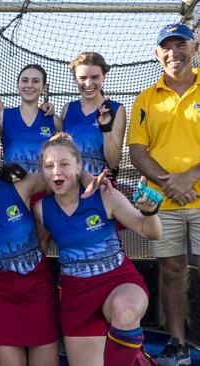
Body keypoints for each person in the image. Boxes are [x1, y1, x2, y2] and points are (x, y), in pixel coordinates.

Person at [33, 132, 162, 366]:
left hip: (117, 282)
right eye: (49, 166)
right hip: (76, 295)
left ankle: (136, 358)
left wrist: (150, 211)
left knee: (126, 311)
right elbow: (38, 247)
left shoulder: (105, 195)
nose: (56, 172)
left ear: (79, 166)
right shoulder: (42, 209)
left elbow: (151, 232)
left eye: (64, 164)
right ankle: (135, 356)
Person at [127, 22, 200, 366]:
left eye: (181, 45)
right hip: (164, 204)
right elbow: (137, 150)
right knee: (172, 271)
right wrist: (169, 181)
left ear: (195, 48)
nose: (174, 53)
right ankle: (178, 343)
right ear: (157, 54)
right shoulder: (145, 98)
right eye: (166, 48)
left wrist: (191, 176)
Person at [0, 136, 60, 365]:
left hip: (38, 291)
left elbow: (60, 178)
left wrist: (88, 178)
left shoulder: (20, 187)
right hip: (0, 296)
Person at [62, 52, 127, 179]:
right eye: (83, 78)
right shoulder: (67, 109)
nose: (88, 83)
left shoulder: (116, 109)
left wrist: (106, 129)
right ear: (75, 79)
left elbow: (113, 163)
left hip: (102, 187)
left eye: (95, 77)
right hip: (69, 187)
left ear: (104, 76)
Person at [0, 64, 62, 174]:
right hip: (11, 187)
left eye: (35, 81)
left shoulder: (54, 120)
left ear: (44, 87)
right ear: (17, 86)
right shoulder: (3, 116)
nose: (29, 85)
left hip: (44, 187)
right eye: (25, 80)